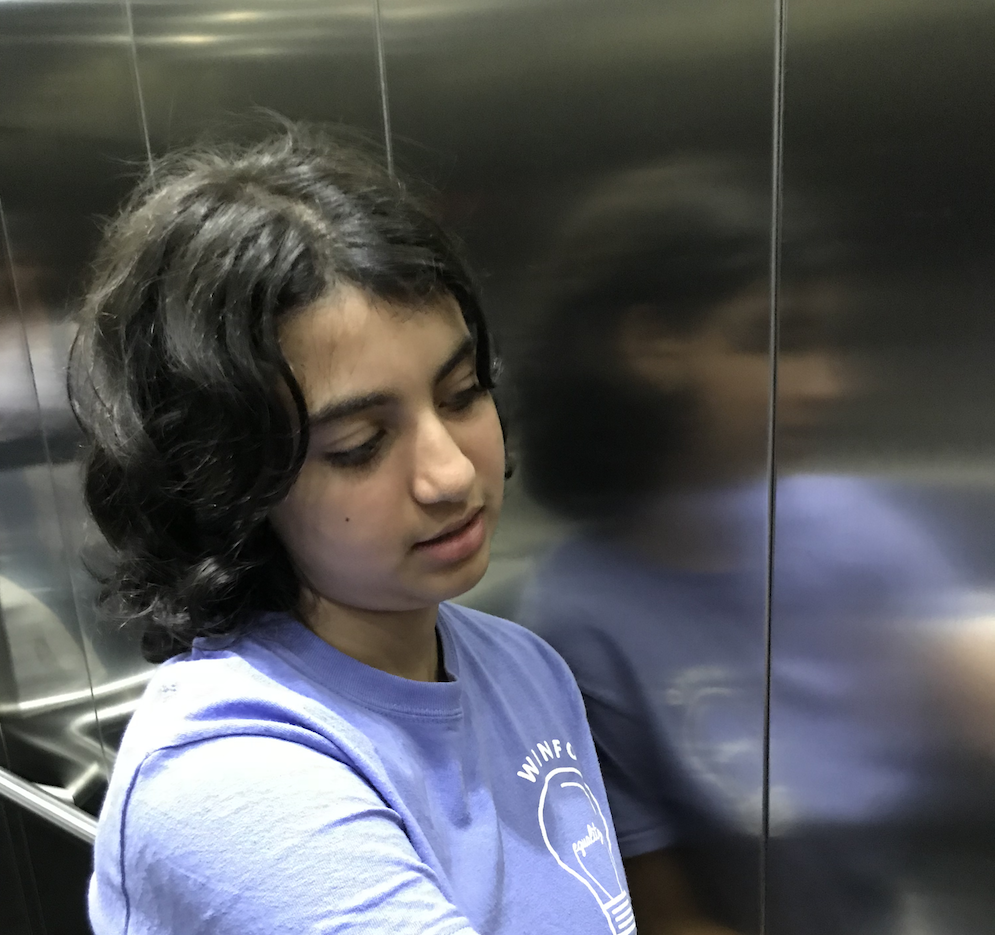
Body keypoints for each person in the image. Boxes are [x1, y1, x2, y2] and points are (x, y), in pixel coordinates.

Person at [71, 127, 634, 935]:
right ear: (231, 479)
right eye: (359, 445)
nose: (449, 474)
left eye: (462, 393)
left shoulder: (523, 669)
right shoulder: (228, 777)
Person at [513, 161, 962, 935]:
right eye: (774, 340)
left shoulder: (849, 525)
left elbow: (972, 686)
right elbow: (663, 915)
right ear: (653, 344)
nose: (823, 383)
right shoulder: (577, 622)